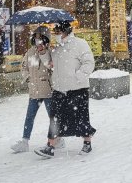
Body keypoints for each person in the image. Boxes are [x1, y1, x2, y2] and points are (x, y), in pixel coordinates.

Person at [35, 21, 96, 158]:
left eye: (57, 32)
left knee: (81, 117)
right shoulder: (57, 48)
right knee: (54, 118)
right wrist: (43, 51)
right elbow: (49, 64)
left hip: (77, 88)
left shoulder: (80, 44)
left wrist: (78, 76)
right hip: (59, 89)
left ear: (64, 32)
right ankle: (50, 146)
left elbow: (89, 62)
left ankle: (87, 143)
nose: (55, 35)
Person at [12, 26, 54, 153]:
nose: (38, 42)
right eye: (36, 39)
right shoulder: (30, 52)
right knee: (29, 117)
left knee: (53, 117)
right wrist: (28, 79)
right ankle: (25, 141)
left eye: (40, 39)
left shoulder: (51, 52)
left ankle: (57, 139)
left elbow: (52, 69)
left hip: (47, 90)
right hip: (34, 90)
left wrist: (44, 53)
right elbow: (24, 67)